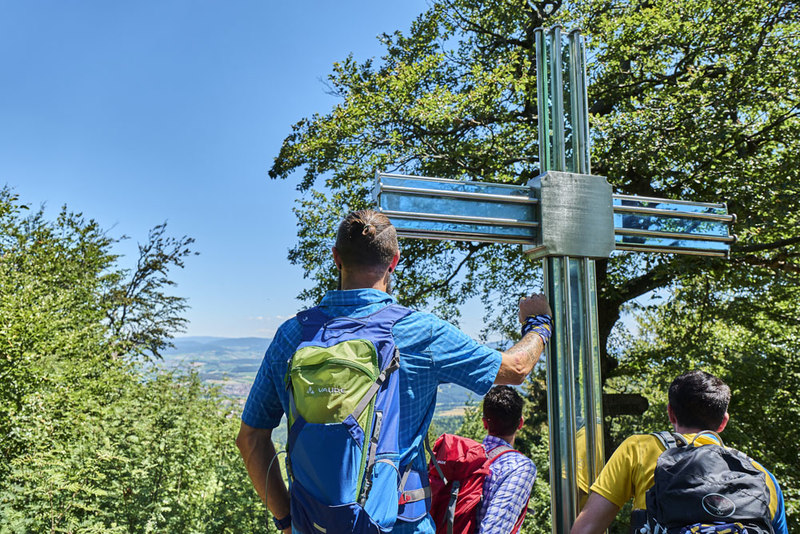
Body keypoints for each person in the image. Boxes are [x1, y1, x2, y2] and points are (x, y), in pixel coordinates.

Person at [236, 209, 552, 534]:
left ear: (336, 258)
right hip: (399, 524)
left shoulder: (293, 335)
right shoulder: (419, 331)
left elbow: (250, 439)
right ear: (394, 261)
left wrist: (288, 522)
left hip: (313, 525)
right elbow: (516, 368)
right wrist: (539, 324)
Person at [570, 370, 788, 534]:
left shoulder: (638, 449)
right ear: (723, 422)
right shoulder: (762, 476)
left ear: (671, 413)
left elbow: (586, 529)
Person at [477, 386, 537, 534]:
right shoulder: (520, 467)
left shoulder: (467, 457)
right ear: (520, 423)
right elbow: (495, 530)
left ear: (485, 423)